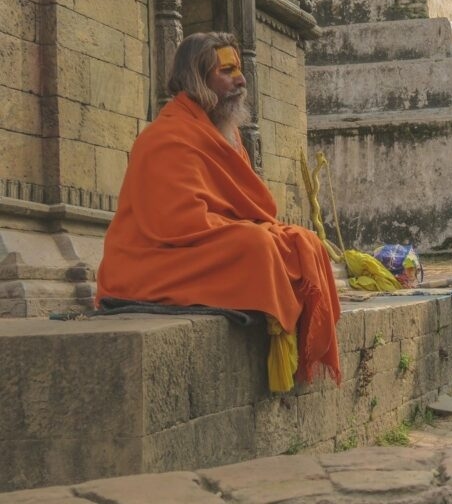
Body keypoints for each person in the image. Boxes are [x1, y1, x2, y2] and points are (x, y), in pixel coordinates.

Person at [96, 32, 341, 392]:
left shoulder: (224, 133)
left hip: (201, 245)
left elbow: (246, 208)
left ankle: (299, 359)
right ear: (199, 79)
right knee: (257, 245)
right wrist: (251, 231)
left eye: (238, 70)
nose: (241, 80)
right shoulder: (166, 138)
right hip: (151, 259)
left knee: (305, 243)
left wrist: (260, 230)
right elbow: (178, 223)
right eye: (227, 71)